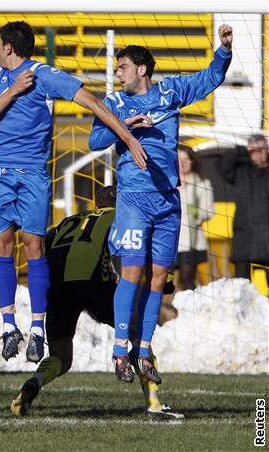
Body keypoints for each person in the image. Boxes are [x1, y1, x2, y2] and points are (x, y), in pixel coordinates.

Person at [0, 21, 147, 364]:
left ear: (8, 47)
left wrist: (126, 136)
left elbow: (93, 103)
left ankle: (37, 329)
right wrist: (11, 92)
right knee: (1, 244)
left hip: (33, 174)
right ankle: (9, 325)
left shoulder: (43, 75)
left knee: (35, 245)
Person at [89, 25, 233, 383]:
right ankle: (120, 350)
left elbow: (212, 77)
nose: (117, 73)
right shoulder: (115, 104)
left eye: (122, 67)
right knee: (133, 272)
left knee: (158, 278)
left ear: (141, 69)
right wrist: (124, 127)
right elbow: (94, 140)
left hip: (168, 198)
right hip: (134, 199)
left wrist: (224, 50)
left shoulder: (170, 92)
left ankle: (144, 351)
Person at [10, 186, 183, 420]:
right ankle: (154, 403)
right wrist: (168, 280)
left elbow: (43, 250)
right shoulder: (121, 218)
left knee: (61, 357)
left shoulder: (67, 221)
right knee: (138, 335)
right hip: (95, 285)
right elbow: (142, 254)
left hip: (60, 289)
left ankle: (34, 382)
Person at [216, 133, 269, 281]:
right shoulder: (241, 171)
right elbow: (222, 166)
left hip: (266, 240)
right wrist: (241, 150)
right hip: (244, 238)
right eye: (254, 150)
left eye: (262, 149)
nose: (258, 153)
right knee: (241, 286)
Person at [176, 148, 214, 290]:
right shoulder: (168, 182)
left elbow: (209, 211)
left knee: (187, 279)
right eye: (179, 159)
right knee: (163, 281)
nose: (183, 163)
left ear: (192, 161)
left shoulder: (202, 183)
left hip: (191, 242)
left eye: (186, 159)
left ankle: (190, 308)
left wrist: (197, 213)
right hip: (170, 239)